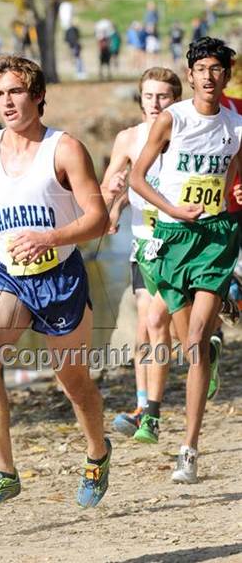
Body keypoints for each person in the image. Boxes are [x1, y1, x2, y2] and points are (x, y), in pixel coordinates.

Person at [0, 55, 111, 515]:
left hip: (60, 276)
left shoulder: (65, 149)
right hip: (5, 271)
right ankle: (4, 472)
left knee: (73, 381)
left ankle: (96, 452)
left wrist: (50, 236)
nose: (6, 102)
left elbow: (98, 219)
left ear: (36, 94)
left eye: (15, 91)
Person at [130, 37, 241, 483]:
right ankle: (217, 327)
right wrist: (172, 209)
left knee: (194, 340)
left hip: (216, 237)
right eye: (203, 69)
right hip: (173, 237)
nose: (210, 76)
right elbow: (137, 178)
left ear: (226, 76)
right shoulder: (171, 120)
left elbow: (234, 179)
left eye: (218, 69)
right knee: (190, 349)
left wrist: (236, 193)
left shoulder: (237, 125)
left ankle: (189, 448)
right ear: (190, 75)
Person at [101, 67, 183, 436]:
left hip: (180, 244)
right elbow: (105, 189)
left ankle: (152, 411)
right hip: (143, 244)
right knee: (143, 332)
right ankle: (142, 406)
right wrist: (114, 195)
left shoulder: (186, 136)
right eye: (148, 95)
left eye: (163, 96)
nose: (154, 102)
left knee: (157, 324)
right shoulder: (127, 139)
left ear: (175, 99)